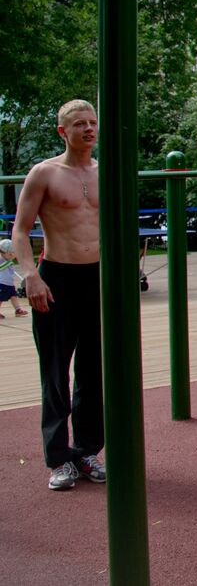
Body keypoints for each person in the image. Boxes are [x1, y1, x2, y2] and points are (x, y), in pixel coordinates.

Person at [11, 99, 106, 491]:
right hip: (56, 279)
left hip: (97, 278)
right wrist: (31, 275)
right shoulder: (44, 173)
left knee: (93, 370)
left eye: (92, 122)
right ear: (61, 132)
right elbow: (20, 231)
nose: (88, 129)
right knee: (55, 370)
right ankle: (58, 459)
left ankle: (85, 451)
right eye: (79, 124)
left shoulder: (107, 172)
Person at [0, 237, 28, 319]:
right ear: (4, 253)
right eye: (10, 254)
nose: (12, 256)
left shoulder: (8, 259)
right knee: (0, 298)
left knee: (13, 296)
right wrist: (7, 263)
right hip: (2, 283)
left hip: (9, 283)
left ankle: (18, 310)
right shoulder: (1, 259)